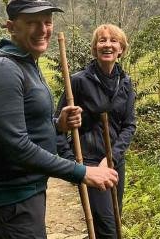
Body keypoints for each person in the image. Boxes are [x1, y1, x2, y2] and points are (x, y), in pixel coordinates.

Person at [0, 0, 118, 239]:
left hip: (27, 192)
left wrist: (57, 125)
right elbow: (16, 146)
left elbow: (25, 125)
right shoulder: (2, 70)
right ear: (11, 27)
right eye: (32, 23)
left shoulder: (26, 62)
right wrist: (82, 172)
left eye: (47, 22)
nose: (43, 30)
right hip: (9, 200)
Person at [56, 23, 136, 239]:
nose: (107, 45)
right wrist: (72, 164)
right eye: (102, 40)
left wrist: (111, 158)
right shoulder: (78, 81)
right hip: (89, 162)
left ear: (121, 49)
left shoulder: (125, 82)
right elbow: (56, 125)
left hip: (114, 162)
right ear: (94, 48)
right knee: (107, 227)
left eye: (113, 41)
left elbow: (129, 125)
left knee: (116, 221)